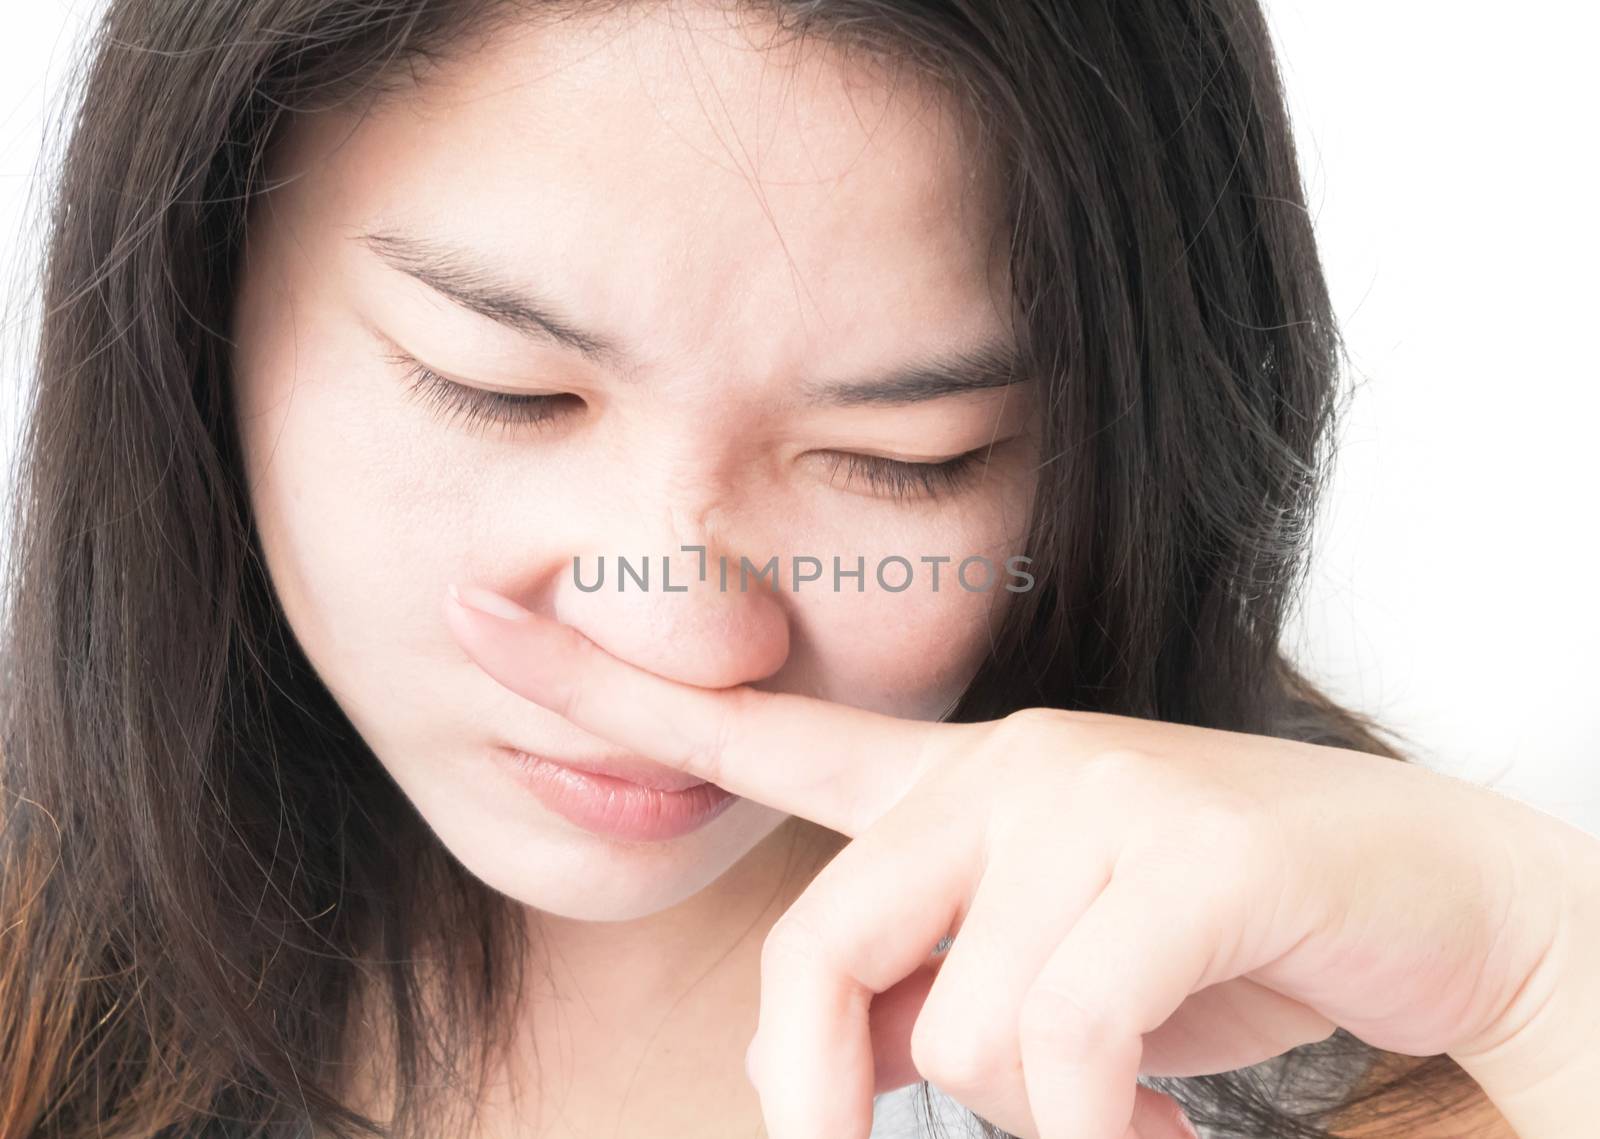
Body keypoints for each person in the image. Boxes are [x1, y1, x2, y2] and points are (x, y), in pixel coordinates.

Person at [1, 2, 1594, 1138]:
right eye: (504, 386)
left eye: (908, 462)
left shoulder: (1386, 1037)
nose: (682, 634)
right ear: (192, 301)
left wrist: (1542, 960)